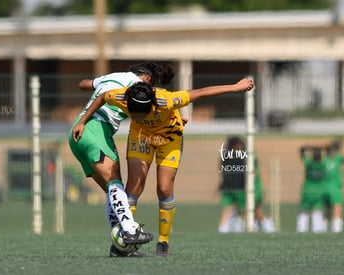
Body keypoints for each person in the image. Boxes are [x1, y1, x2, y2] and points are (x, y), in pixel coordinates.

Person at [72, 77, 254, 256]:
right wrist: (82, 121)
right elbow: (102, 96)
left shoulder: (166, 100)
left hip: (169, 138)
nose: (135, 116)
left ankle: (163, 241)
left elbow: (201, 92)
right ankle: (124, 238)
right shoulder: (122, 96)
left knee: (164, 188)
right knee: (134, 186)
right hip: (141, 135)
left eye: (139, 114)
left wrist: (236, 87)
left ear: (151, 106)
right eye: (132, 113)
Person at [68, 62, 174, 257]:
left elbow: (84, 84)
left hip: (78, 133)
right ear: (148, 79)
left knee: (112, 191)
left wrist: (98, 83)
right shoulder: (136, 86)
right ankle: (130, 231)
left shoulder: (112, 76)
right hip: (95, 129)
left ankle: (121, 248)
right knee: (115, 181)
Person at [217, 136, 274, 233]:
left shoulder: (248, 157)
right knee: (232, 209)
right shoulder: (227, 157)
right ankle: (225, 228)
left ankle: (264, 226)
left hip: (247, 188)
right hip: (233, 188)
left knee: (254, 210)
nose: (237, 149)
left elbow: (255, 173)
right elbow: (224, 171)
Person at [296, 146, 326, 233]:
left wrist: (309, 148)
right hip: (319, 191)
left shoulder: (309, 163)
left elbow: (301, 151)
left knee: (304, 211)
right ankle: (317, 230)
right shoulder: (323, 164)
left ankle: (301, 229)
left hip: (308, 191)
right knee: (317, 211)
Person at [322, 140, 344, 233]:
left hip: (325, 188)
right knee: (337, 209)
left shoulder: (324, 161)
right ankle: (336, 230)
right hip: (335, 189)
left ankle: (323, 229)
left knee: (326, 210)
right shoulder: (338, 158)